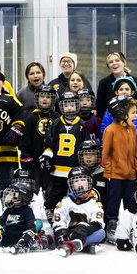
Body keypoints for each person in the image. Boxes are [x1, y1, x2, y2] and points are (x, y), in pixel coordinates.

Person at [39, 89, 91, 221]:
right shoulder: (56, 123)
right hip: (57, 168)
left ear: (77, 105)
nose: (69, 107)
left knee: (74, 193)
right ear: (61, 106)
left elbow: (86, 146)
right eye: (66, 104)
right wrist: (47, 157)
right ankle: (51, 209)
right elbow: (49, 143)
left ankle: (74, 214)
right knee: (55, 192)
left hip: (74, 168)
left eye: (72, 104)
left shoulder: (82, 125)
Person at [100, 96, 137, 241]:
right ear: (122, 113)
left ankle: (129, 227)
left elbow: (135, 151)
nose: (136, 115)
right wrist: (108, 170)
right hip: (115, 175)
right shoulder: (110, 130)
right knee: (113, 202)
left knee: (130, 202)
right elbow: (105, 153)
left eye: (136, 112)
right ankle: (111, 225)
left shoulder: (134, 129)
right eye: (133, 113)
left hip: (130, 175)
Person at [53, 168, 107, 256]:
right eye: (76, 181)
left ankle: (72, 245)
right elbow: (58, 219)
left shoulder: (95, 203)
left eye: (83, 180)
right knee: (56, 233)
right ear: (71, 184)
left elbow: (98, 222)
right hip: (68, 233)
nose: (80, 183)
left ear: (89, 182)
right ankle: (84, 246)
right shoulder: (65, 201)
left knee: (101, 233)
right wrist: (61, 231)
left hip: (84, 234)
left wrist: (85, 228)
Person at [95, 51, 137, 117]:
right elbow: (100, 108)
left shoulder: (136, 81)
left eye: (117, 60)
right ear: (108, 66)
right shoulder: (103, 83)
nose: (114, 63)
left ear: (124, 63)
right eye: (111, 62)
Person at [0, 183, 46, 254]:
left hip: (21, 238)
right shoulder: (9, 210)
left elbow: (31, 226)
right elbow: (0, 221)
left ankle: (36, 242)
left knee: (34, 226)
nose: (8, 197)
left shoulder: (27, 211)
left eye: (12, 195)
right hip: (7, 239)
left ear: (21, 197)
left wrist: (26, 238)